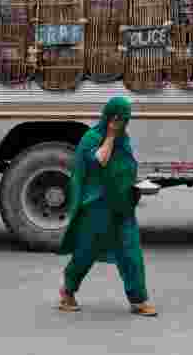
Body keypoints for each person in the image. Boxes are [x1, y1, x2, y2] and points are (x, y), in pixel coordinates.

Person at [57, 96, 156, 316]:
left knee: (131, 253)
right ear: (109, 117)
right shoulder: (92, 138)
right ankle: (67, 291)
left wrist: (136, 185)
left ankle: (138, 299)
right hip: (97, 207)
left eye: (126, 120)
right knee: (86, 252)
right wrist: (110, 136)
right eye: (119, 119)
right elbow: (100, 160)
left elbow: (125, 167)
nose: (123, 124)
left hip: (122, 205)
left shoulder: (124, 139)